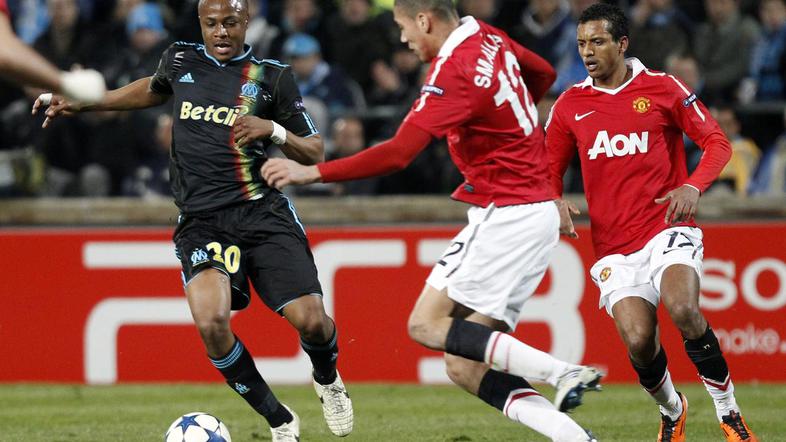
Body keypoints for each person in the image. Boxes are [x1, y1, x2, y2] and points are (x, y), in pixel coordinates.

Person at [262, 1, 602, 441]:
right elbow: (541, 74)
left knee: (424, 324)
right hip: (534, 211)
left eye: (403, 27)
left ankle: (564, 372)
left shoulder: (451, 71)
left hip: (507, 212)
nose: (403, 38)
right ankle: (574, 437)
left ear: (424, 20)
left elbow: (399, 152)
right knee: (463, 362)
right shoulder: (488, 35)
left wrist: (313, 172)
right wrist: (504, 121)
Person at [33, 0, 352, 440]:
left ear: (246, 24)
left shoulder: (271, 76)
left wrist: (272, 131)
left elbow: (314, 150)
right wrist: (87, 103)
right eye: (211, 23)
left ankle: (327, 377)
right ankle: (278, 419)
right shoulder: (180, 58)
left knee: (312, 321)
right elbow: (152, 88)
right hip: (202, 219)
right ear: (201, 24)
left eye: (230, 23)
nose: (220, 32)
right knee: (211, 323)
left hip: (261, 212)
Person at [545, 4, 757, 442]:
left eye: (598, 42)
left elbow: (716, 142)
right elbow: (546, 167)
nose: (587, 51)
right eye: (582, 43)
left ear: (622, 44)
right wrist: (554, 201)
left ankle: (729, 413)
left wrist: (693, 186)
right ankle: (672, 410)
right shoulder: (570, 105)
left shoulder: (662, 88)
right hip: (614, 245)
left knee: (683, 308)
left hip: (668, 228)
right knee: (639, 340)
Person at [0, 0, 105, 103]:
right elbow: (3, 50)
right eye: (55, 7)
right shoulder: (40, 44)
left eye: (65, 6)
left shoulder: (93, 39)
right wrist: (68, 84)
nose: (60, 12)